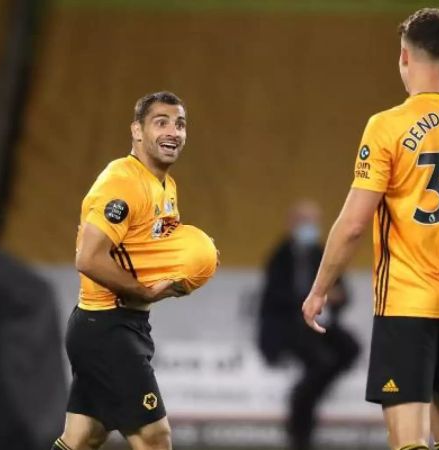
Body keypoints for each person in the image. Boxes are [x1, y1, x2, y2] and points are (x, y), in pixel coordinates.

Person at [300, 8, 439, 450]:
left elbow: (354, 223)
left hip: (407, 300)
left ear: (404, 57)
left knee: (407, 440)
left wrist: (320, 288)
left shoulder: (387, 126)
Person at [53, 91, 219, 450]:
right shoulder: (123, 182)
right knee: (155, 438)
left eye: (180, 124)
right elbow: (88, 257)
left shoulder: (163, 184)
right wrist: (142, 292)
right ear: (137, 131)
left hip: (117, 327)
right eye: (161, 122)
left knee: (83, 438)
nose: (173, 131)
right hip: (107, 330)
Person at [258, 200, 360, 450]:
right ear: (292, 223)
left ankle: (308, 394)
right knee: (321, 361)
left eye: (314, 222)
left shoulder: (322, 254)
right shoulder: (280, 256)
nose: (310, 228)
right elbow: (275, 297)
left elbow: (343, 291)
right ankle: (300, 426)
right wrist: (311, 296)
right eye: (305, 222)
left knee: (350, 348)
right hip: (287, 327)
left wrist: (336, 297)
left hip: (318, 325)